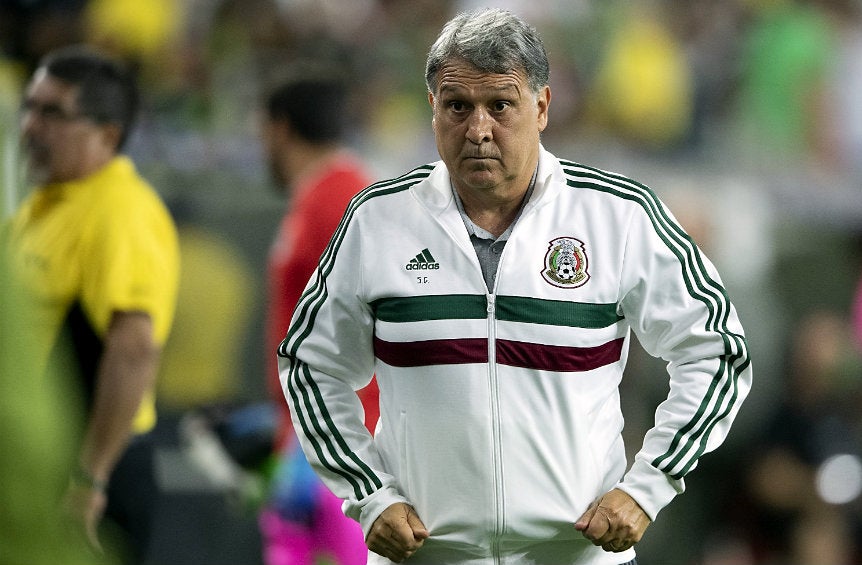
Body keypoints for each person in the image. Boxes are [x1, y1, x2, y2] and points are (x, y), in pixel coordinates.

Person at [277, 9, 752, 565]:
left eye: (499, 105)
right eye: (457, 106)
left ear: (542, 107)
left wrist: (648, 486)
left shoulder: (618, 215)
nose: (478, 128)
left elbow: (717, 352)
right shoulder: (378, 221)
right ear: (433, 111)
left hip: (576, 556)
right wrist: (368, 495)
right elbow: (311, 366)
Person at [5, 45, 179, 563]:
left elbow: (133, 351)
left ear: (108, 134)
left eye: (53, 113)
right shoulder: (42, 207)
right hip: (39, 465)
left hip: (89, 468)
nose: (31, 127)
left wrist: (89, 478)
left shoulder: (119, 211)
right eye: (29, 108)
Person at [260, 72, 379, 565]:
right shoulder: (322, 195)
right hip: (310, 432)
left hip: (342, 435)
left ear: (279, 129)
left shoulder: (344, 198)